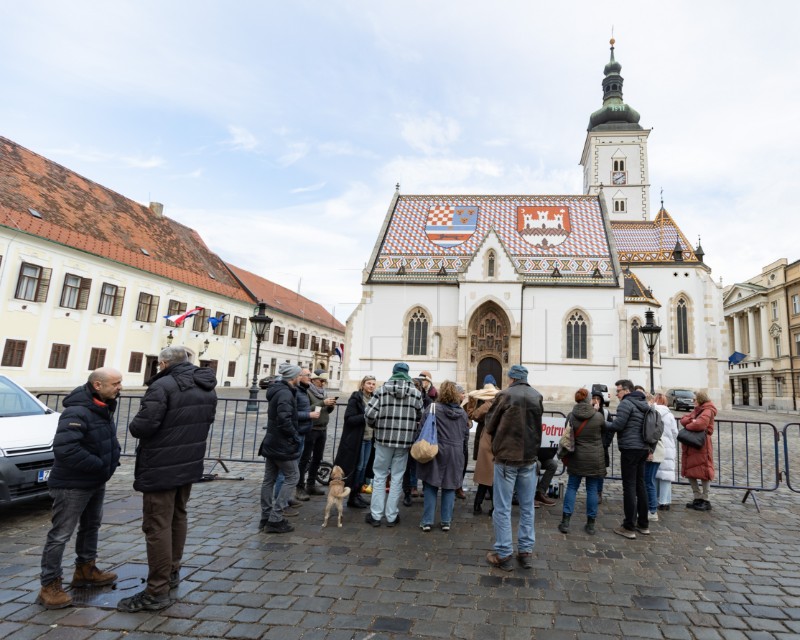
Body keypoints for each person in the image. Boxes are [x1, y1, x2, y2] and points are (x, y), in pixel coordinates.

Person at [117, 347, 217, 612]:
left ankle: (156, 590)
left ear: (162, 363)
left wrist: (135, 423)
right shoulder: (206, 385)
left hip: (161, 465)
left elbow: (142, 426)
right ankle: (172, 571)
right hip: (189, 461)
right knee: (178, 516)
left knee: (157, 525)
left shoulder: (163, 386)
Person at [37, 368, 122, 610]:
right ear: (97, 385)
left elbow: (107, 439)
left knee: (91, 526)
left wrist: (110, 460)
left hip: (94, 480)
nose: (119, 387)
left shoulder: (104, 406)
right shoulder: (76, 411)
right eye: (115, 383)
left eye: (120, 383)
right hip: (72, 484)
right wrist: (99, 465)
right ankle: (49, 585)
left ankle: (86, 570)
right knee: (61, 534)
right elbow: (66, 449)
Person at [483, 365, 543, 571]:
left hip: (507, 458)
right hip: (529, 458)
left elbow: (490, 424)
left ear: (511, 378)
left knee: (502, 508)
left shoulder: (505, 395)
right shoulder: (537, 395)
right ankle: (525, 551)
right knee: (527, 508)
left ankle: (504, 552)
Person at [364, 362, 424, 527]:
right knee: (397, 477)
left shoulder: (381, 391)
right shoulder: (415, 393)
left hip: (383, 439)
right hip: (404, 441)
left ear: (393, 373)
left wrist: (375, 426)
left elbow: (369, 413)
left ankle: (376, 516)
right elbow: (421, 414)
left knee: (380, 476)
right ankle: (391, 516)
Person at [416, 381, 469, 532]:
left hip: (435, 449)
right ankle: (446, 521)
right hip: (455, 451)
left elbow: (421, 429)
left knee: (430, 485)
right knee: (450, 486)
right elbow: (465, 436)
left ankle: (427, 521)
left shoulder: (433, 408)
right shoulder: (462, 413)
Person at [258, 363, 304, 534]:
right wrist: (294, 436)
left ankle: (266, 516)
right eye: (299, 375)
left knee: (269, 479)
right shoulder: (285, 393)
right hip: (281, 443)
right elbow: (284, 419)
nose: (301, 378)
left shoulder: (278, 390)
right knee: (293, 476)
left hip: (272, 441)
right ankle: (275, 518)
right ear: (293, 377)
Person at [556, 388, 607, 535]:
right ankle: (590, 524)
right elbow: (604, 431)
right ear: (589, 400)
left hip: (576, 456)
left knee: (572, 487)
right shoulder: (598, 417)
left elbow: (567, 434)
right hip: (594, 458)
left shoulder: (572, 416)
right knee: (592, 490)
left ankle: (565, 522)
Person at [606, 379, 651, 540]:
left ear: (626, 390)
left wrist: (603, 423)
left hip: (630, 449)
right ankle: (643, 524)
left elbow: (618, 425)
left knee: (629, 487)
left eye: (618, 391)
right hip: (643, 448)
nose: (616, 394)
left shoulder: (626, 403)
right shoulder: (644, 404)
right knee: (640, 485)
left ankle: (629, 526)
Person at [333, 375, 376, 509]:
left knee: (363, 468)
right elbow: (349, 418)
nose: (371, 386)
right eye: (369, 383)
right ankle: (352, 496)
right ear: (362, 384)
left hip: (369, 438)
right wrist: (366, 416)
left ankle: (357, 493)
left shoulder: (375, 399)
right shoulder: (356, 398)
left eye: (374, 384)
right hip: (358, 439)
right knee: (357, 467)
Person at [283, 368, 319, 504]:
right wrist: (309, 415)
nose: (310, 377)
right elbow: (292, 414)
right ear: (298, 376)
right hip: (296, 432)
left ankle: (287, 498)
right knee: (290, 470)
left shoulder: (303, 390)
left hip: (303, 431)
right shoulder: (294, 392)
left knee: (296, 466)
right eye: (308, 375)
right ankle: (283, 501)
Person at [298, 372, 336, 497]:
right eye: (321, 381)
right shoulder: (307, 392)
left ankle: (311, 485)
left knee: (317, 458)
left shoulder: (323, 393)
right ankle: (300, 486)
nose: (323, 383)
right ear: (314, 380)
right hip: (311, 429)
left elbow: (325, 411)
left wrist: (330, 406)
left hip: (322, 429)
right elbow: (306, 410)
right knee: (305, 458)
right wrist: (323, 403)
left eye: (325, 381)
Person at [680, 390, 717, 511]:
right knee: (690, 470)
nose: (693, 400)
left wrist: (689, 424)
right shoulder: (697, 410)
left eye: (694, 399)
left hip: (701, 444)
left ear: (700, 399)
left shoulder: (707, 410)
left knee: (704, 471)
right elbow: (683, 419)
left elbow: (700, 425)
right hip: (692, 443)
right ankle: (697, 497)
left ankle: (706, 499)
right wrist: (691, 421)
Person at [467, 376, 499, 514]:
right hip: (496, 440)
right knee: (488, 475)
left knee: (486, 475)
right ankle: (485, 506)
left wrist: (471, 401)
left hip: (487, 439)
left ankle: (481, 505)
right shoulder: (500, 401)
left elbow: (473, 415)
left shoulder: (487, 404)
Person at [653, 392, 679, 513]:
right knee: (666, 476)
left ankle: (655, 498)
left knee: (655, 474)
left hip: (656, 445)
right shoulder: (669, 415)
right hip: (668, 446)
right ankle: (665, 501)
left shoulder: (652, 412)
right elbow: (675, 432)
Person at [591, 392, 612, 504]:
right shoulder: (588, 411)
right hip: (590, 445)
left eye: (598, 398)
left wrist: (606, 443)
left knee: (600, 472)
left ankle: (598, 492)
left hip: (602, 446)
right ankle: (592, 492)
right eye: (594, 398)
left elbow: (611, 429)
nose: (596, 401)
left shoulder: (606, 413)